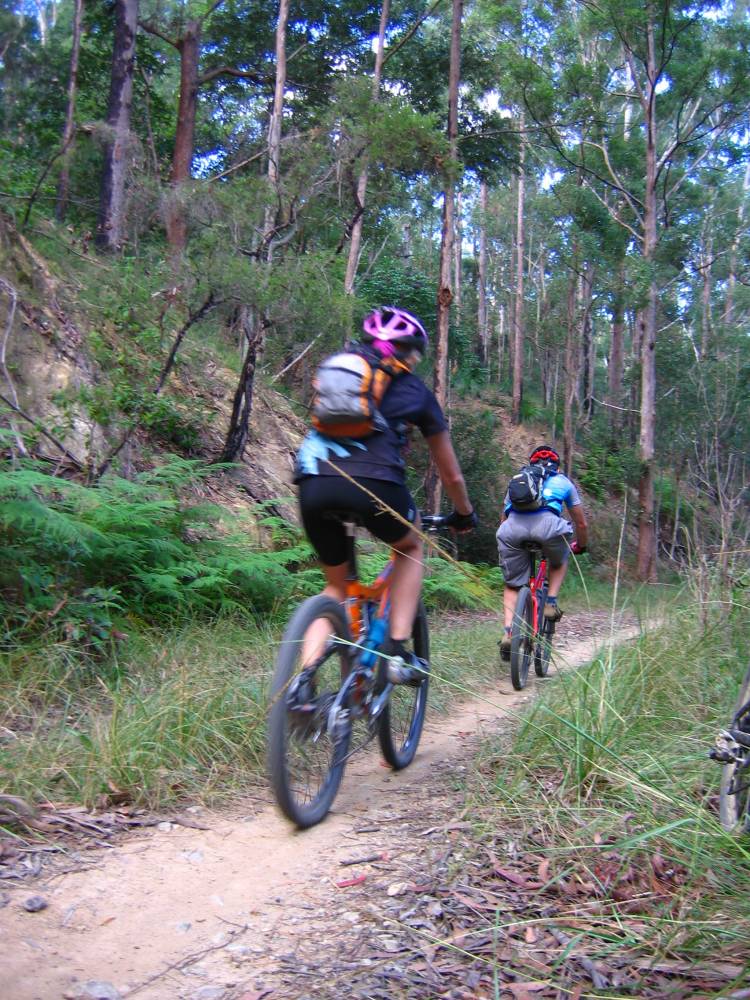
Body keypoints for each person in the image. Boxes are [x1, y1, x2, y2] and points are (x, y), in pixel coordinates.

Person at [295, 306, 477, 680]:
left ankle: (301, 685)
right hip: (376, 485)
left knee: (336, 585)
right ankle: (397, 653)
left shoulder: (337, 371)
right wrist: (463, 513)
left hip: (313, 480)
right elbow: (452, 474)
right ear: (410, 353)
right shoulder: (415, 390)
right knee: (410, 547)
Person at [496, 445, 587, 661]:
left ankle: (508, 632)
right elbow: (581, 523)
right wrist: (581, 546)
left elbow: (504, 517)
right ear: (556, 466)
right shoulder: (563, 482)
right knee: (559, 561)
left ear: (531, 464)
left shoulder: (518, 480)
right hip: (549, 529)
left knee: (512, 585)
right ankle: (550, 603)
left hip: (512, 530)